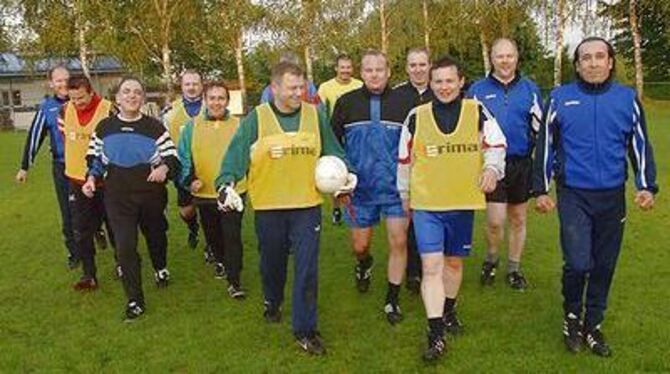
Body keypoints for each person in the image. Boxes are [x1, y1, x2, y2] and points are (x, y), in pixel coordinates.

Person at [216, 62, 355, 355]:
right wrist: (226, 183)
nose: (298, 93)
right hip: (269, 207)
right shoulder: (257, 118)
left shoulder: (315, 115)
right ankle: (272, 299)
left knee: (306, 269)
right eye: (292, 87)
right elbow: (235, 155)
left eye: (301, 87)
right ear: (274, 88)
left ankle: (305, 330)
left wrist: (347, 174)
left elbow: (334, 151)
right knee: (272, 264)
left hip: (306, 206)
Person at [533, 37, 658, 357]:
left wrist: (646, 185)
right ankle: (572, 317)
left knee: (604, 264)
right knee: (577, 262)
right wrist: (541, 189)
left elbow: (639, 145)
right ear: (577, 65)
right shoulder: (560, 98)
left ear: (610, 62)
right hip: (574, 192)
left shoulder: (627, 98)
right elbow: (545, 145)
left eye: (599, 57)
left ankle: (594, 324)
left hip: (612, 195)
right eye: (585, 58)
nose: (592, 63)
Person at [398, 56, 506, 361]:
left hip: (461, 202)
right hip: (427, 204)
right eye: (438, 81)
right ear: (430, 84)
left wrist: (492, 170)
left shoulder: (478, 111)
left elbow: (496, 145)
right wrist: (405, 194)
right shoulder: (416, 116)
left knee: (454, 265)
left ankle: (448, 310)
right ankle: (435, 335)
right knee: (431, 267)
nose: (444, 87)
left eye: (449, 81)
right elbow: (404, 159)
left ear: (461, 83)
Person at [83, 77, 179, 321]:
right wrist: (91, 179)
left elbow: (172, 158)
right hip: (117, 198)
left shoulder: (155, 127)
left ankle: (160, 268)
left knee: (156, 235)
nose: (132, 96)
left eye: (137, 92)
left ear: (143, 98)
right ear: (118, 98)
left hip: (151, 195)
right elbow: (95, 160)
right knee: (125, 246)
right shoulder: (104, 128)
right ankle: (135, 299)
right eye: (126, 92)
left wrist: (164, 169)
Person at [331, 49, 412, 325]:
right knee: (359, 246)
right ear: (360, 73)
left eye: (380, 69)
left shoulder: (405, 103)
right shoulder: (346, 103)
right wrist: (339, 181)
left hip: (395, 190)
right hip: (360, 192)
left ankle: (392, 298)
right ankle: (364, 264)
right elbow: (333, 146)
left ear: (389, 72)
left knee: (399, 242)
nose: (374, 74)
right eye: (368, 70)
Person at [467, 38, 543, 290]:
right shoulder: (477, 90)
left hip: (521, 164)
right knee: (495, 220)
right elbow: (468, 129)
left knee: (518, 218)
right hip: (491, 164)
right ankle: (491, 259)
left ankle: (514, 268)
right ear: (492, 58)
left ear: (517, 57)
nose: (505, 61)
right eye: (500, 56)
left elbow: (540, 129)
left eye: (509, 56)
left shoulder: (530, 89)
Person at [178, 81, 247, 299]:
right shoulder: (191, 126)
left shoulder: (240, 125)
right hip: (204, 192)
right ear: (205, 101)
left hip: (233, 191)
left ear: (227, 101)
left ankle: (234, 282)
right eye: (212, 98)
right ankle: (220, 260)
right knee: (214, 235)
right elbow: (184, 158)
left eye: (221, 98)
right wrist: (190, 180)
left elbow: (247, 156)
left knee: (232, 235)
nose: (217, 102)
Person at [15, 66, 79, 269]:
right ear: (51, 83)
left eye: (66, 79)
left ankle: (97, 232)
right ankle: (74, 253)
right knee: (68, 212)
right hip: (62, 167)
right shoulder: (47, 108)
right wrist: (25, 166)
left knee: (95, 207)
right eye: (58, 80)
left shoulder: (81, 102)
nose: (63, 84)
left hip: (86, 166)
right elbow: (35, 137)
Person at [58, 76, 116, 290]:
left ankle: (121, 264)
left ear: (91, 92)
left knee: (114, 225)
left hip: (106, 181)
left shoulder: (109, 110)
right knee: (81, 229)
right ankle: (89, 275)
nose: (77, 103)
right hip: (76, 180)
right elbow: (65, 138)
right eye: (73, 98)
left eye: (81, 98)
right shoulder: (64, 111)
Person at [393, 47, 435, 294]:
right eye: (413, 65)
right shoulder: (397, 95)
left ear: (429, 66)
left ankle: (429, 268)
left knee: (429, 221)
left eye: (422, 64)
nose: (418, 69)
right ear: (407, 68)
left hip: (436, 171)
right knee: (407, 221)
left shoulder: (441, 91)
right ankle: (412, 272)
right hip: (407, 167)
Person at [317, 53, 363, 225]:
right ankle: (336, 208)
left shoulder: (359, 85)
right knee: (336, 173)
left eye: (348, 67)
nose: (345, 71)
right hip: (334, 136)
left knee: (355, 170)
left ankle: (356, 207)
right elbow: (320, 112)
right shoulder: (325, 88)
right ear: (336, 68)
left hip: (355, 136)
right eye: (342, 67)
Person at [162, 70, 205, 253]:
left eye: (195, 83)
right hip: (183, 168)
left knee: (210, 208)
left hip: (208, 165)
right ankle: (193, 227)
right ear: (182, 86)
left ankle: (211, 245)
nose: (192, 87)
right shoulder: (171, 111)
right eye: (188, 84)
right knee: (186, 210)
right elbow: (164, 139)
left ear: (201, 85)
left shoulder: (211, 105)